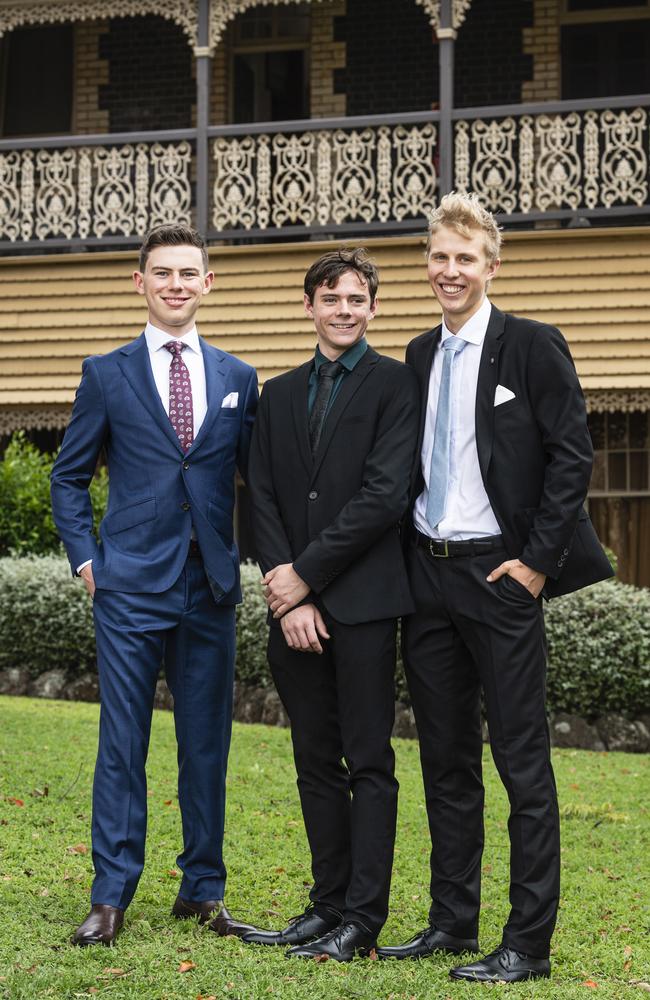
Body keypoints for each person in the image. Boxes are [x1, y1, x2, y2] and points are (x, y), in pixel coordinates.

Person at [376, 193, 613, 982]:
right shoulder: (416, 353)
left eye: (465, 259)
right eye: (439, 257)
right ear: (428, 263)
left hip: (501, 578)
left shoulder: (533, 347)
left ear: (491, 266)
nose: (451, 271)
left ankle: (529, 942)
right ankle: (452, 922)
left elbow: (572, 456)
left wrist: (539, 563)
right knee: (444, 759)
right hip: (429, 575)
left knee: (521, 761)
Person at [50, 224, 258, 947]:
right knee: (122, 743)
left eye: (188, 273)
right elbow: (68, 477)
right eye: (162, 273)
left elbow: (254, 485)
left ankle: (202, 891)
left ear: (209, 285)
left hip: (210, 588)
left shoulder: (238, 378)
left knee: (207, 746)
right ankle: (110, 895)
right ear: (139, 283)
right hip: (129, 588)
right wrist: (88, 562)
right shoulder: (106, 373)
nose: (175, 284)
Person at [244, 248, 419, 962]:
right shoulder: (277, 395)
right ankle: (325, 906)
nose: (344, 309)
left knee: (369, 762)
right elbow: (260, 495)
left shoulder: (397, 386)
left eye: (356, 298)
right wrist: (287, 598)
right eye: (331, 296)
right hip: (293, 612)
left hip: (368, 607)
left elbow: (384, 496)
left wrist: (306, 579)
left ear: (373, 308)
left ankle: (363, 919)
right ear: (308, 305)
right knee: (315, 761)